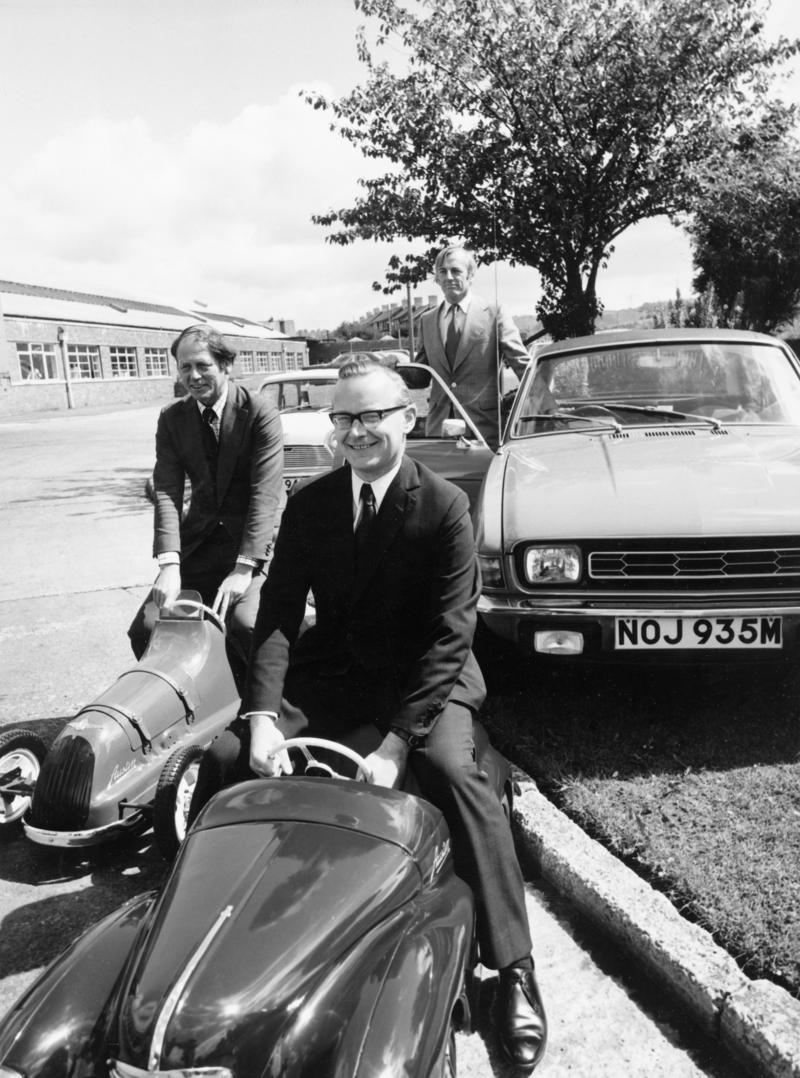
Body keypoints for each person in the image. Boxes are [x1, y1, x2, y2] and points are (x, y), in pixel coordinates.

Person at [193, 357, 547, 1072]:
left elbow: (451, 635)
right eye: (344, 418)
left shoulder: (444, 505)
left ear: (407, 417)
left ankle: (513, 967)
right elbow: (279, 616)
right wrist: (261, 714)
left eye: (372, 416)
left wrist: (396, 744)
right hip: (339, 672)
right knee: (226, 758)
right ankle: (202, 940)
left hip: (426, 681)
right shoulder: (312, 503)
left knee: (454, 773)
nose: (356, 432)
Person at [128, 324, 283, 683]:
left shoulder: (260, 411)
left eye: (202, 365)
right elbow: (166, 490)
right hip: (201, 545)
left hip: (255, 545)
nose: (193, 376)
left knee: (246, 625)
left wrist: (243, 569)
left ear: (225, 365)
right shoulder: (172, 418)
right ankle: (199, 701)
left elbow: (265, 494)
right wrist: (170, 565)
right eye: (185, 367)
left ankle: (262, 705)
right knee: (147, 628)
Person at [416, 244, 530, 448]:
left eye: (456, 271)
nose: (449, 277)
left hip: (484, 430)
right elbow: (421, 376)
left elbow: (522, 364)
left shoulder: (494, 313)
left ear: (470, 275)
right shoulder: (426, 320)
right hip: (438, 431)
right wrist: (393, 367)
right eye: (442, 271)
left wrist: (547, 407)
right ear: (437, 278)